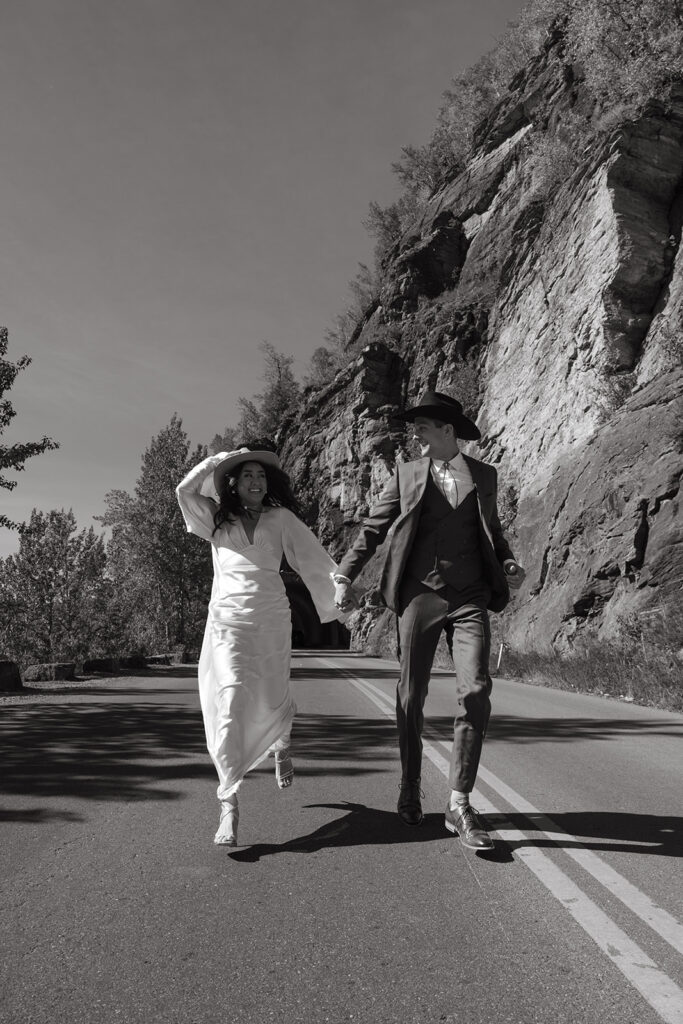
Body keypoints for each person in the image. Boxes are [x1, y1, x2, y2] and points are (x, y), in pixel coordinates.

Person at [332, 391, 525, 851]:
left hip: (471, 595)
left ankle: (459, 802)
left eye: (421, 425)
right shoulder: (408, 473)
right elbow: (373, 529)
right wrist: (344, 574)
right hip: (420, 593)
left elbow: (493, 532)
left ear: (447, 430)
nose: (414, 433)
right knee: (410, 693)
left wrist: (509, 561)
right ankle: (410, 782)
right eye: (413, 425)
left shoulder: (484, 475)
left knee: (476, 689)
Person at [176, 445, 346, 846]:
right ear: (233, 484)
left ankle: (281, 742)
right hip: (228, 622)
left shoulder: (280, 518)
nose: (256, 481)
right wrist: (218, 461)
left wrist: (340, 587)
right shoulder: (216, 520)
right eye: (247, 474)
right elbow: (184, 492)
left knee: (272, 696)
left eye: (261, 475)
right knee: (231, 700)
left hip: (272, 619)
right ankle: (229, 803)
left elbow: (311, 557)